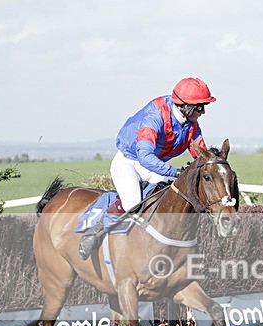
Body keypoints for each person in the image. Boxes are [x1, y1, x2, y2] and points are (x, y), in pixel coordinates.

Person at [79, 77, 216, 260]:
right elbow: (145, 157)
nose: (203, 112)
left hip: (155, 166)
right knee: (132, 202)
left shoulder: (190, 125)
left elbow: (200, 152)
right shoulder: (154, 116)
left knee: (172, 196)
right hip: (130, 161)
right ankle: (94, 233)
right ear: (185, 106)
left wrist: (213, 166)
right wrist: (174, 172)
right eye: (200, 107)